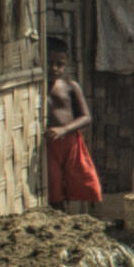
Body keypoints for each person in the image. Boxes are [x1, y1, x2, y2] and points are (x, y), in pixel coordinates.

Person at [44, 52, 102, 209]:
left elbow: (85, 117)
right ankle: (59, 217)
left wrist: (64, 129)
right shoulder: (34, 88)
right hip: (47, 145)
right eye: (49, 63)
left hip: (70, 141)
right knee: (53, 187)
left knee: (82, 181)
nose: (54, 68)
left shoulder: (70, 86)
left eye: (59, 64)